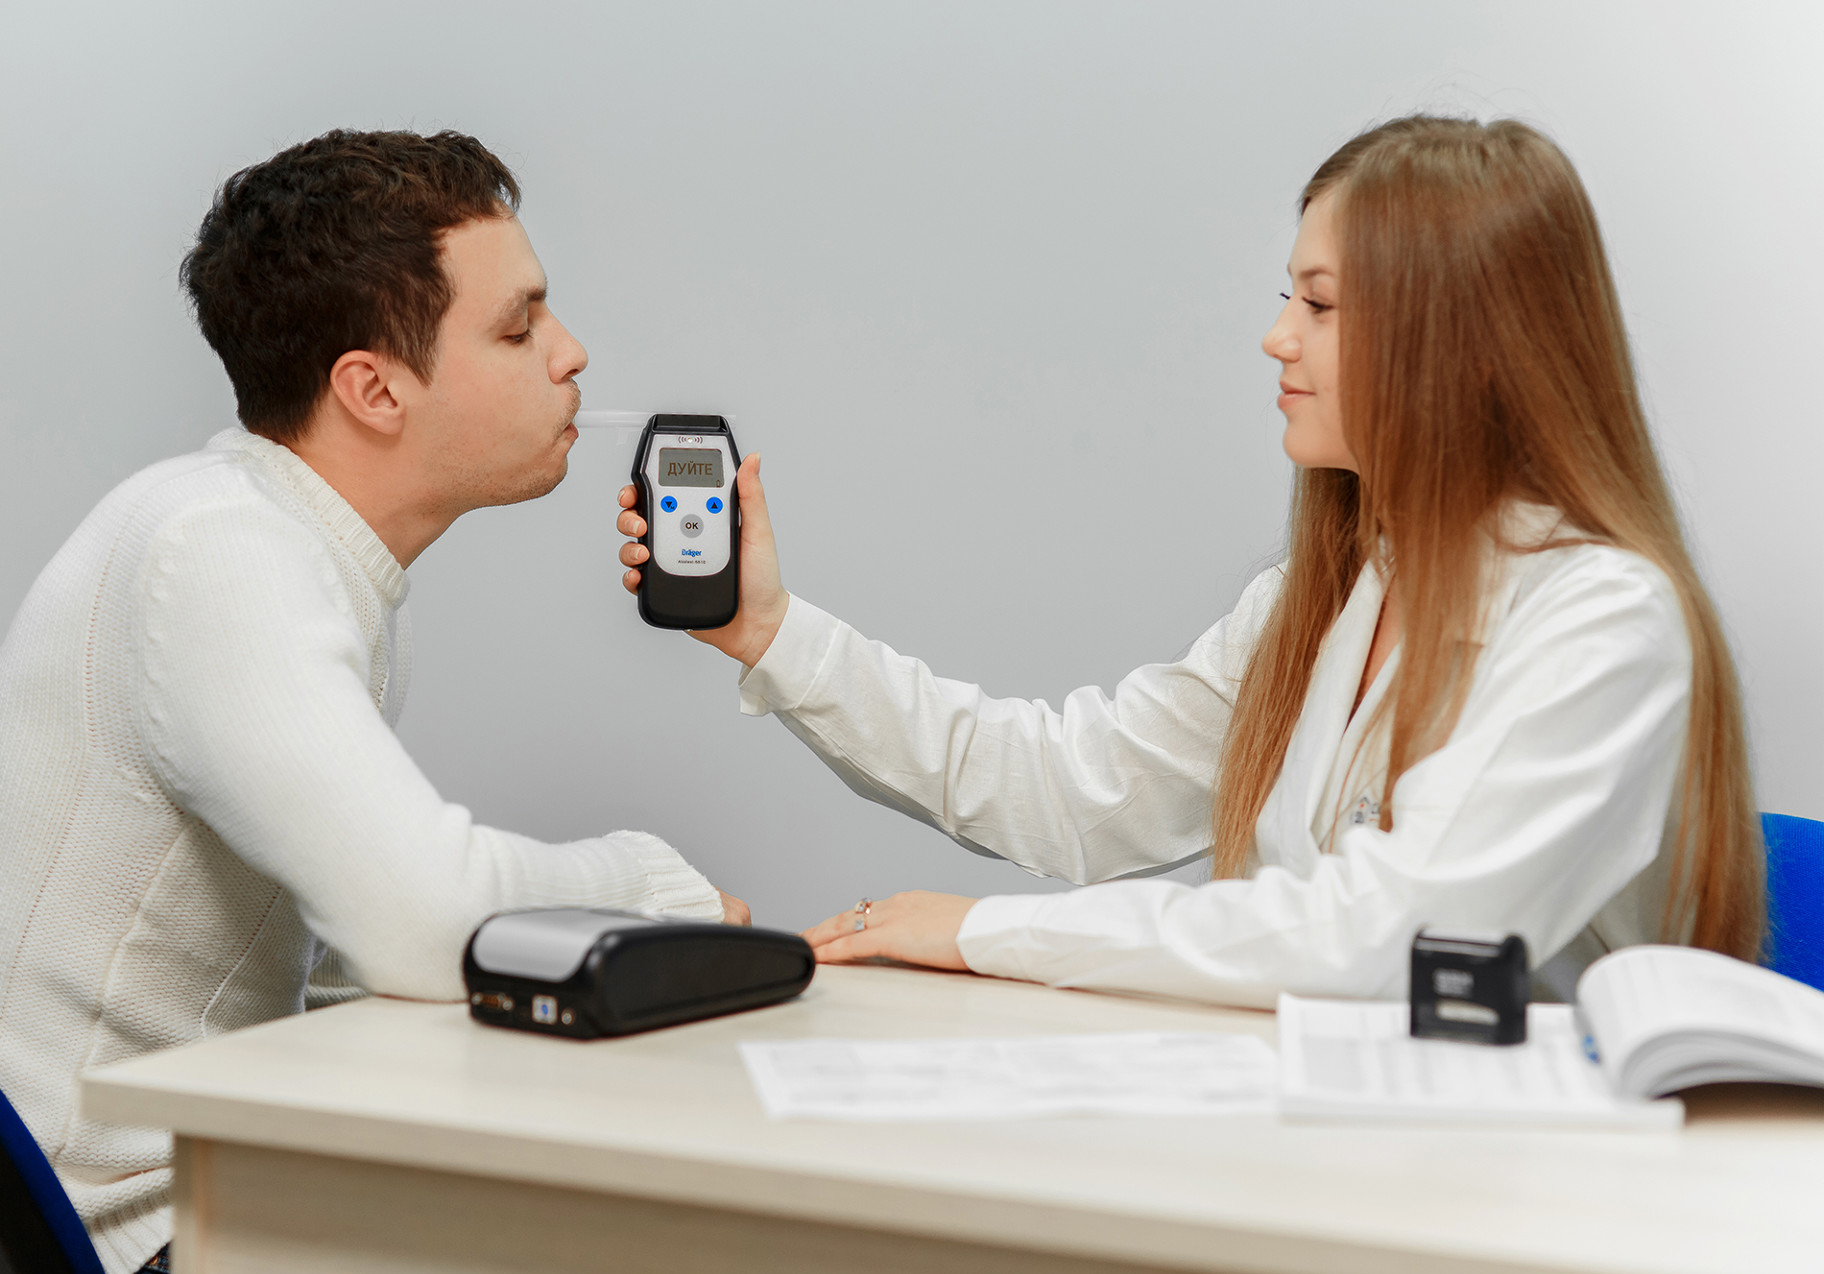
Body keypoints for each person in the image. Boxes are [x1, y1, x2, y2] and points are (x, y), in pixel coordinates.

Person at [616, 114, 1761, 1009]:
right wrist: (770, 631)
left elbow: (1389, 937)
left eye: (1320, 305)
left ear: (1461, 347)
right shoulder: (1327, 598)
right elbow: (1069, 787)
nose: (1278, 336)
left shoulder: (1606, 623)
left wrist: (984, 930)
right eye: (1287, 297)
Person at [0, 128, 746, 1274]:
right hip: (111, 1238)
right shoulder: (220, 556)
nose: (571, 353)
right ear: (374, 388)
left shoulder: (283, 550)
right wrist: (658, 886)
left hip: (166, 1201)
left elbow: (360, 943)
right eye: (519, 327)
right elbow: (426, 918)